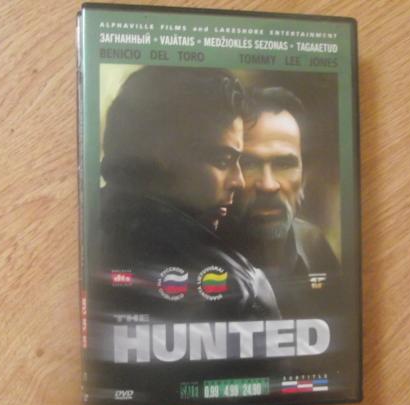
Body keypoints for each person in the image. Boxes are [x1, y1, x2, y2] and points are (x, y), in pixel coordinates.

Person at [98, 66, 280, 322]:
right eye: (222, 160)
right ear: (161, 157)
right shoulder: (242, 288)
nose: (239, 182)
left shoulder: (83, 231)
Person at [220, 87, 341, 318]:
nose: (268, 185)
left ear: (304, 177)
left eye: (284, 164)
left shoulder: (313, 244)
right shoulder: (194, 260)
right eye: (249, 164)